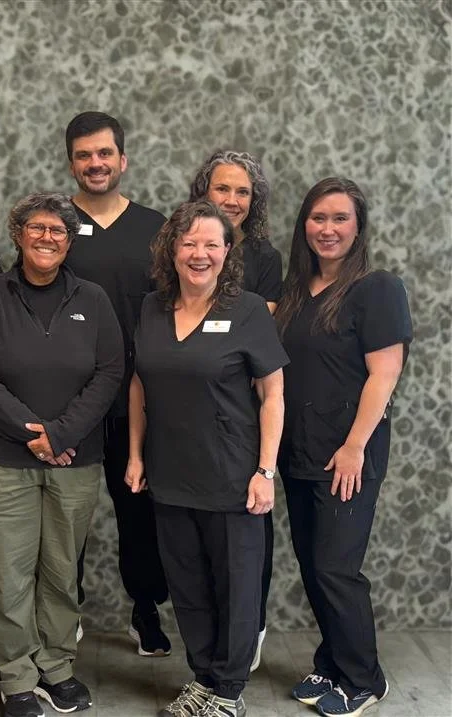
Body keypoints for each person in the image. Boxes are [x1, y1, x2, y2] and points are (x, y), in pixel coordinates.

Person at [0, 193, 123, 717]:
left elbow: (111, 371)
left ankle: (56, 666)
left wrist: (63, 433)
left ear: (69, 241)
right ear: (18, 233)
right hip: (0, 461)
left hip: (76, 460)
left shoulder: (92, 298)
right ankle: (16, 676)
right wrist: (33, 433)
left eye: (58, 231)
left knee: (59, 569)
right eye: (37, 228)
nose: (47, 237)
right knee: (7, 573)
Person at [126, 200, 289, 717]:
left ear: (226, 252)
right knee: (188, 586)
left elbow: (273, 395)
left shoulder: (246, 309)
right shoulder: (152, 307)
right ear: (171, 250)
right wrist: (134, 453)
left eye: (211, 244)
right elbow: (138, 384)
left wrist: (266, 470)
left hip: (232, 476)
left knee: (235, 588)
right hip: (170, 474)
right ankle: (203, 677)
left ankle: (230, 690)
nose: (199, 254)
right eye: (189, 242)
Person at [275, 177, 412, 717]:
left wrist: (355, 446)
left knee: (336, 566)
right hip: (300, 452)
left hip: (348, 455)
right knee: (313, 564)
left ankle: (363, 677)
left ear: (358, 228)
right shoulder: (294, 291)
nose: (327, 229)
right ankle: (332, 661)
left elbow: (385, 373)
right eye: (318, 218)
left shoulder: (377, 288)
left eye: (339, 219)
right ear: (303, 225)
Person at [63, 111, 171, 656]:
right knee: (68, 512)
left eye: (104, 153)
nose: (95, 163)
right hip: (72, 398)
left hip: (141, 397)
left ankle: (145, 610)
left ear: (122, 160)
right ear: (71, 163)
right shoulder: (53, 225)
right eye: (84, 155)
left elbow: (175, 308)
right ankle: (64, 611)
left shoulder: (156, 227)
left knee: (140, 510)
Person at [188, 150, 283, 670]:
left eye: (242, 191)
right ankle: (210, 643)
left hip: (242, 409)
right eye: (222, 189)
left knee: (249, 532)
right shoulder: (181, 248)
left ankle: (249, 634)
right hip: (189, 408)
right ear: (203, 192)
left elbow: (250, 331)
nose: (232, 200)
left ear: (255, 199)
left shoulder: (264, 258)